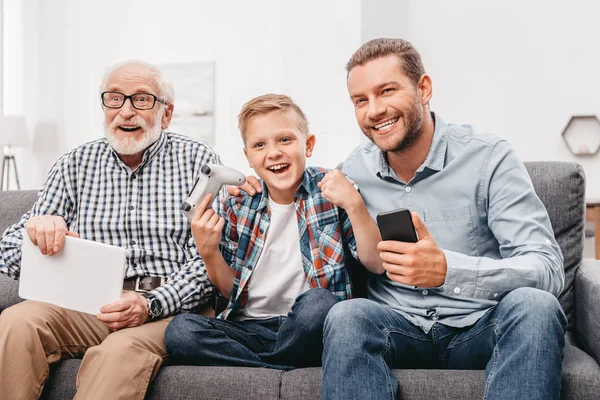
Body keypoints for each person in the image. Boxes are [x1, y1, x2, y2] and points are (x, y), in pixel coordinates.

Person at [318, 38, 567, 400]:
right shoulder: (354, 170)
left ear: (424, 89)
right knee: (347, 317)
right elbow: (297, 190)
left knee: (537, 306)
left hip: (481, 324)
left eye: (387, 91)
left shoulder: (489, 159)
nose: (374, 110)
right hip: (397, 327)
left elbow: (546, 268)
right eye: (360, 100)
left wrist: (449, 271)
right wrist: (244, 188)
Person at [0, 60, 222, 399]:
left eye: (142, 100)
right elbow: (7, 251)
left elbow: (207, 262)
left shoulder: (197, 161)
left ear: (166, 113)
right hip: (89, 301)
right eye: (114, 99)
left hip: (166, 307)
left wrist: (150, 303)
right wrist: (37, 233)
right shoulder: (75, 163)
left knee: (116, 353)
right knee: (15, 323)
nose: (126, 111)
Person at [164, 94, 383, 369]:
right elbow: (231, 291)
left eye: (285, 140)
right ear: (249, 158)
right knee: (181, 331)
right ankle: (279, 367)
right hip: (251, 328)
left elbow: (375, 264)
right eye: (259, 145)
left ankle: (262, 370)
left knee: (320, 302)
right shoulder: (236, 202)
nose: (274, 152)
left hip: (310, 326)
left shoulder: (333, 190)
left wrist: (354, 204)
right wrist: (208, 253)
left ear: (309, 145)